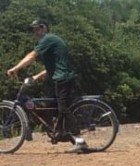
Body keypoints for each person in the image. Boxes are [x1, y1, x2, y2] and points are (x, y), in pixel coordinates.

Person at [6, 20, 87, 153]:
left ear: (44, 28)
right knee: (56, 108)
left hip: (63, 79)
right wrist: (37, 76)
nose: (35, 32)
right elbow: (54, 66)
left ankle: (80, 142)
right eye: (33, 30)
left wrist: (15, 68)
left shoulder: (47, 39)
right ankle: (63, 134)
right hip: (60, 78)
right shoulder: (49, 41)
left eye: (36, 29)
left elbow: (31, 56)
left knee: (63, 108)